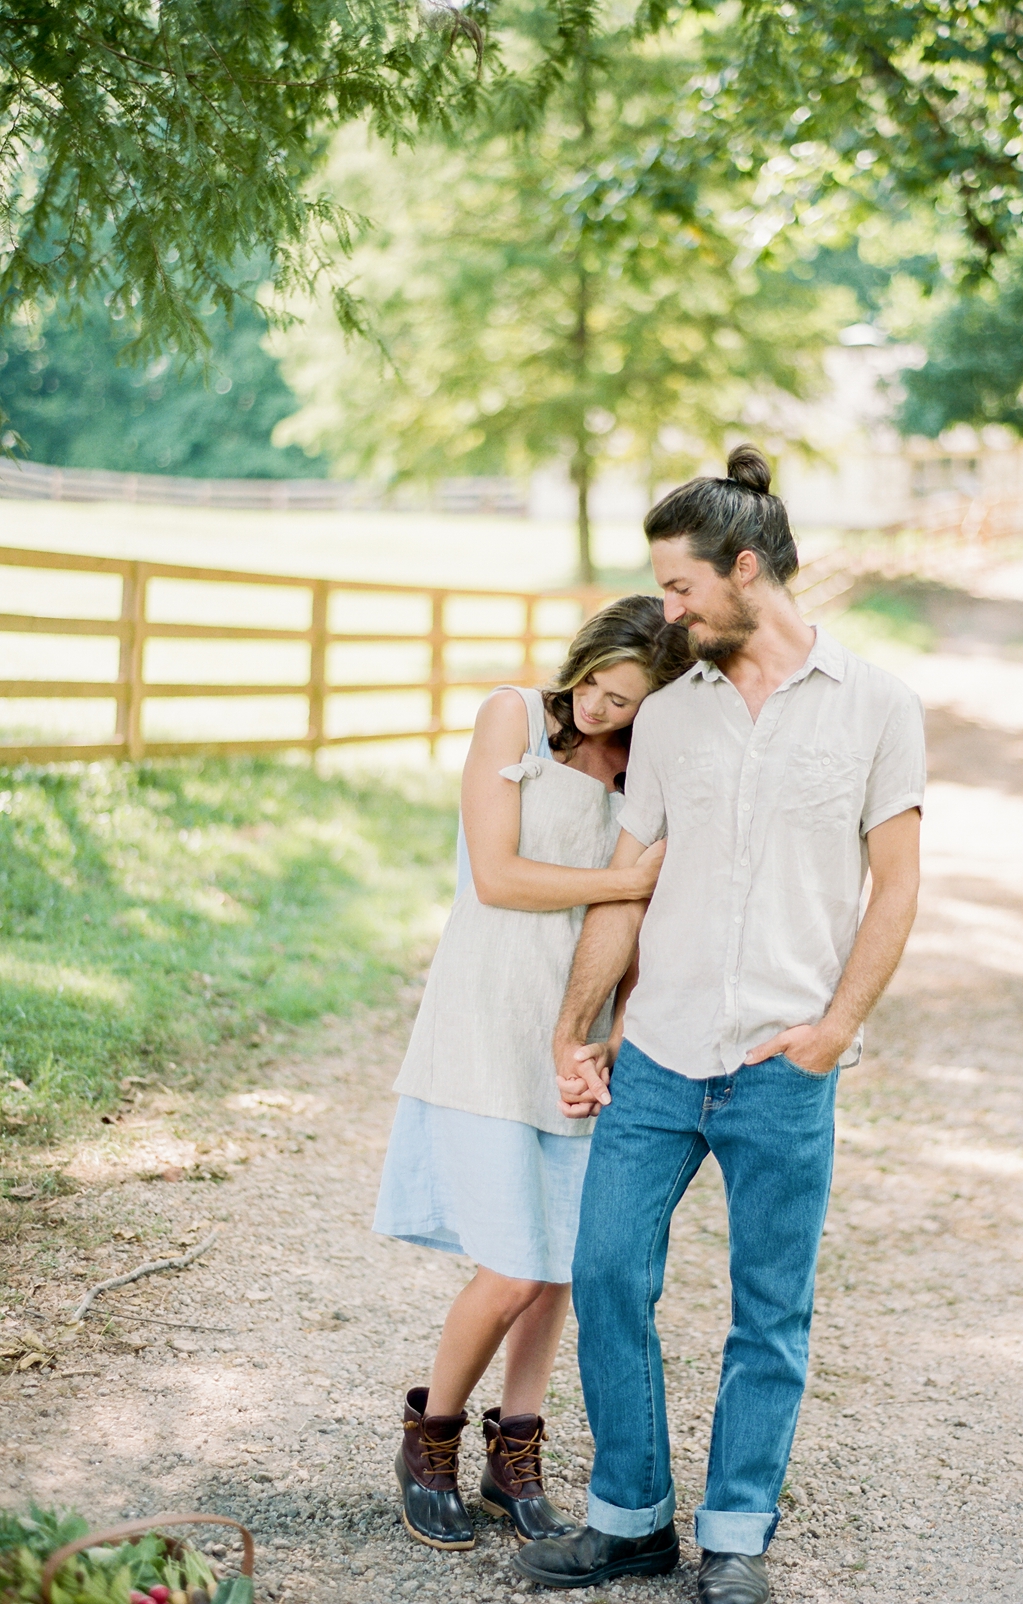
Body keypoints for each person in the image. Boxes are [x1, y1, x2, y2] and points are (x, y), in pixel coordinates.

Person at [514, 446, 925, 1604]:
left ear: (748, 569)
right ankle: (631, 1517)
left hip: (784, 1064)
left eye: (683, 586)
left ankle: (736, 1535)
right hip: (659, 1054)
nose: (668, 608)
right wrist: (575, 1022)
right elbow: (631, 874)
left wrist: (836, 1027)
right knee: (604, 1272)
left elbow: (895, 885)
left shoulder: (879, 706)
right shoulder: (673, 717)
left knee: (770, 1310)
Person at [374, 595, 692, 1553]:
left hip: (575, 1031)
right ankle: (429, 1437)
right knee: (512, 1263)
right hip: (485, 1018)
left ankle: (516, 1450)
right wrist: (631, 879)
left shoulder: (648, 771)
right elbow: (499, 874)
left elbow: (646, 926)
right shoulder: (512, 715)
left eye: (624, 700)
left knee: (559, 1264)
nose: (598, 708)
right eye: (594, 683)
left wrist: (618, 1030)